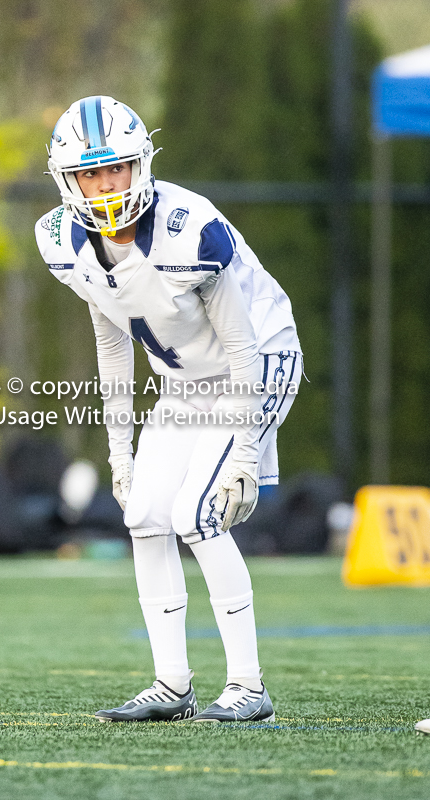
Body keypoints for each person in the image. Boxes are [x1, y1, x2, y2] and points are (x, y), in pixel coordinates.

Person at [34, 96, 302, 723]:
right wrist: (119, 456)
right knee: (146, 515)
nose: (105, 185)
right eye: (90, 173)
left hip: (256, 365)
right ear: (67, 179)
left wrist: (241, 451)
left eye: (116, 169)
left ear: (141, 165)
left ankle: (247, 687)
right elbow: (111, 339)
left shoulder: (189, 226)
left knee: (199, 514)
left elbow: (242, 346)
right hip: (184, 383)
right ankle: (172, 685)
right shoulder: (61, 238)